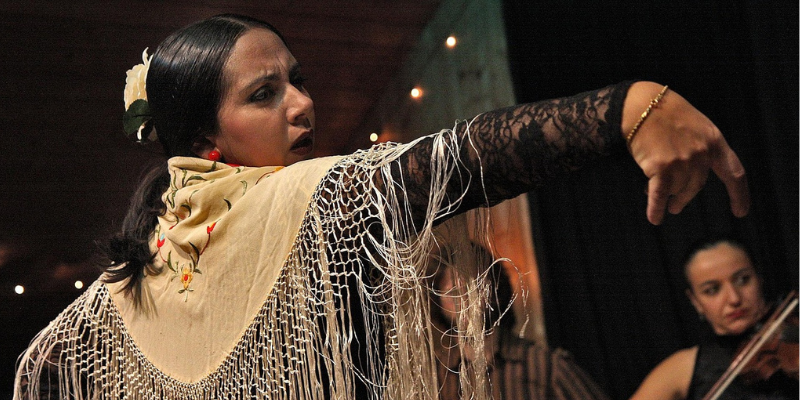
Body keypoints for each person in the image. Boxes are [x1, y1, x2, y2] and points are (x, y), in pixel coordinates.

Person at [14, 13, 750, 400]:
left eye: (297, 80)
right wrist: (626, 110)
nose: (303, 105)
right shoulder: (301, 200)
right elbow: (454, 162)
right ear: (205, 135)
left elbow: (40, 365)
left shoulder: (125, 285)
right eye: (265, 94)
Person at [428, 243, 612, 400]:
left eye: (472, 286)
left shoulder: (547, 368)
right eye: (453, 291)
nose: (465, 300)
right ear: (438, 302)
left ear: (493, 289)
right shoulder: (434, 376)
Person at [629, 238, 798, 400]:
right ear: (695, 301)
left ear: (759, 278)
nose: (734, 299)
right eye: (712, 290)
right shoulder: (683, 368)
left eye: (743, 280)